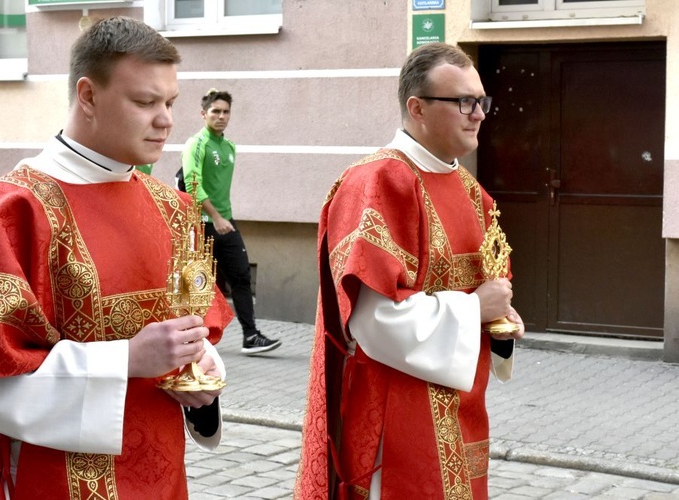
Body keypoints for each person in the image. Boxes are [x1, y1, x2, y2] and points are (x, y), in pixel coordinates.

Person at [0, 16, 233, 499]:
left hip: (162, 475)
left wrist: (202, 384)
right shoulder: (11, 209)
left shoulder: (171, 208)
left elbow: (193, 330)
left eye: (170, 102)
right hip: (52, 479)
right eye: (144, 102)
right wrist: (127, 359)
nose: (166, 120)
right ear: (88, 95)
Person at [295, 42, 525, 499]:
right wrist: (473, 308)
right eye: (463, 101)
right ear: (416, 108)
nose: (478, 113)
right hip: (397, 414)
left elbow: (488, 291)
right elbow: (371, 319)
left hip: (464, 408)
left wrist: (499, 325)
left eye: (482, 100)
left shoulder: (473, 193)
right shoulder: (379, 182)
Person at [180, 89, 282, 355]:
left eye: (226, 112)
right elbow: (192, 183)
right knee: (198, 283)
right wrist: (214, 216)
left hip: (226, 221)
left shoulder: (229, 147)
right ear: (204, 114)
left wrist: (223, 217)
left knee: (241, 277)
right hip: (202, 223)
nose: (221, 116)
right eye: (216, 111)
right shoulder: (196, 144)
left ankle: (251, 336)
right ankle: (191, 339)